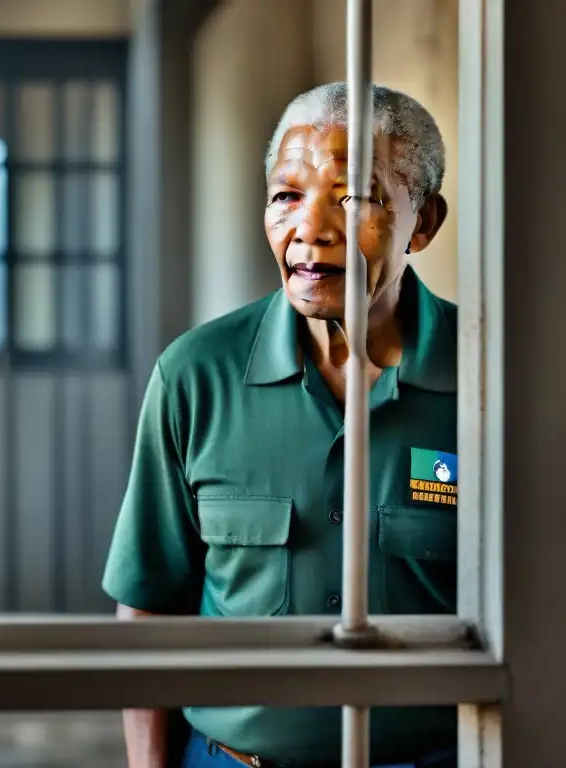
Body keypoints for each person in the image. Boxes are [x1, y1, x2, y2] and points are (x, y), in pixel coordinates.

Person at [102, 82, 458, 768]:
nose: (311, 227)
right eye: (286, 195)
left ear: (424, 222)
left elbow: (545, 623)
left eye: (354, 197)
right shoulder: (194, 375)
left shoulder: (490, 380)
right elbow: (148, 609)